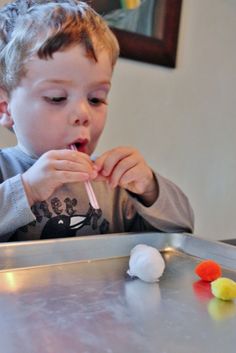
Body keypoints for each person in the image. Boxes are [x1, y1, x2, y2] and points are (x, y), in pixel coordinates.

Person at [0, 0, 194, 241]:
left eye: (95, 99)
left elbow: (182, 229)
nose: (83, 113)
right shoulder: (4, 169)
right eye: (57, 98)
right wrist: (27, 189)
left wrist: (149, 189)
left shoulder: (113, 185)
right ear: (5, 108)